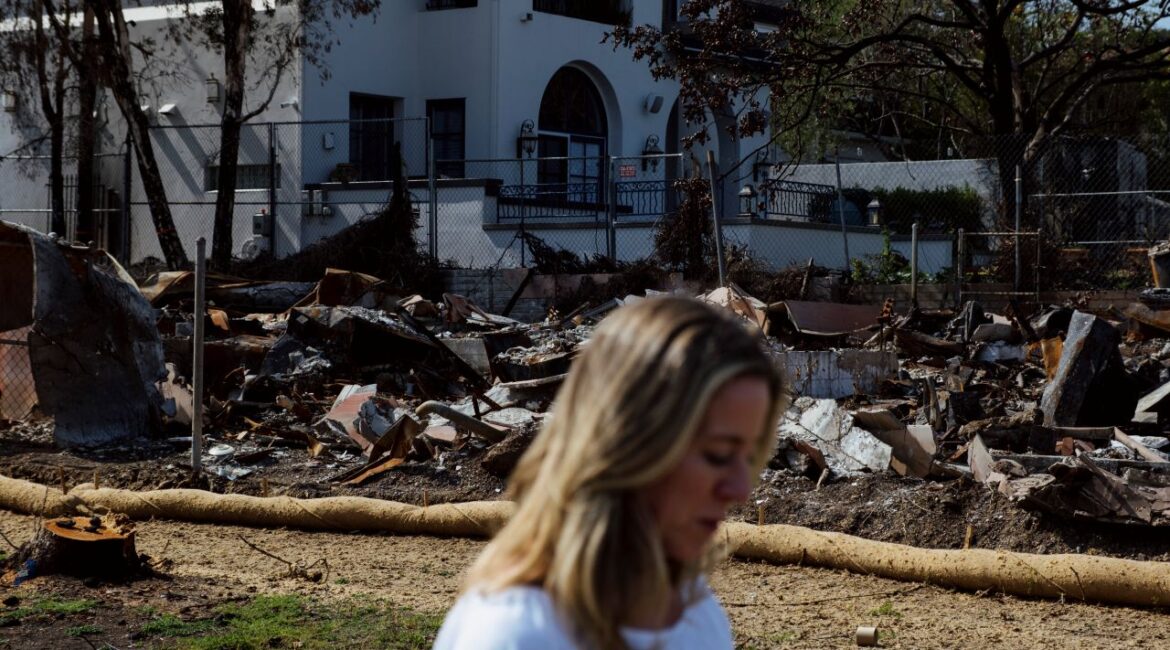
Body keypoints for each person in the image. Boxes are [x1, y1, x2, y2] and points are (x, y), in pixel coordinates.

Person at [433, 296, 788, 650]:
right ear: (625, 446)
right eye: (717, 454)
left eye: (750, 456)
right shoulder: (515, 634)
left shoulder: (695, 611)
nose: (741, 489)